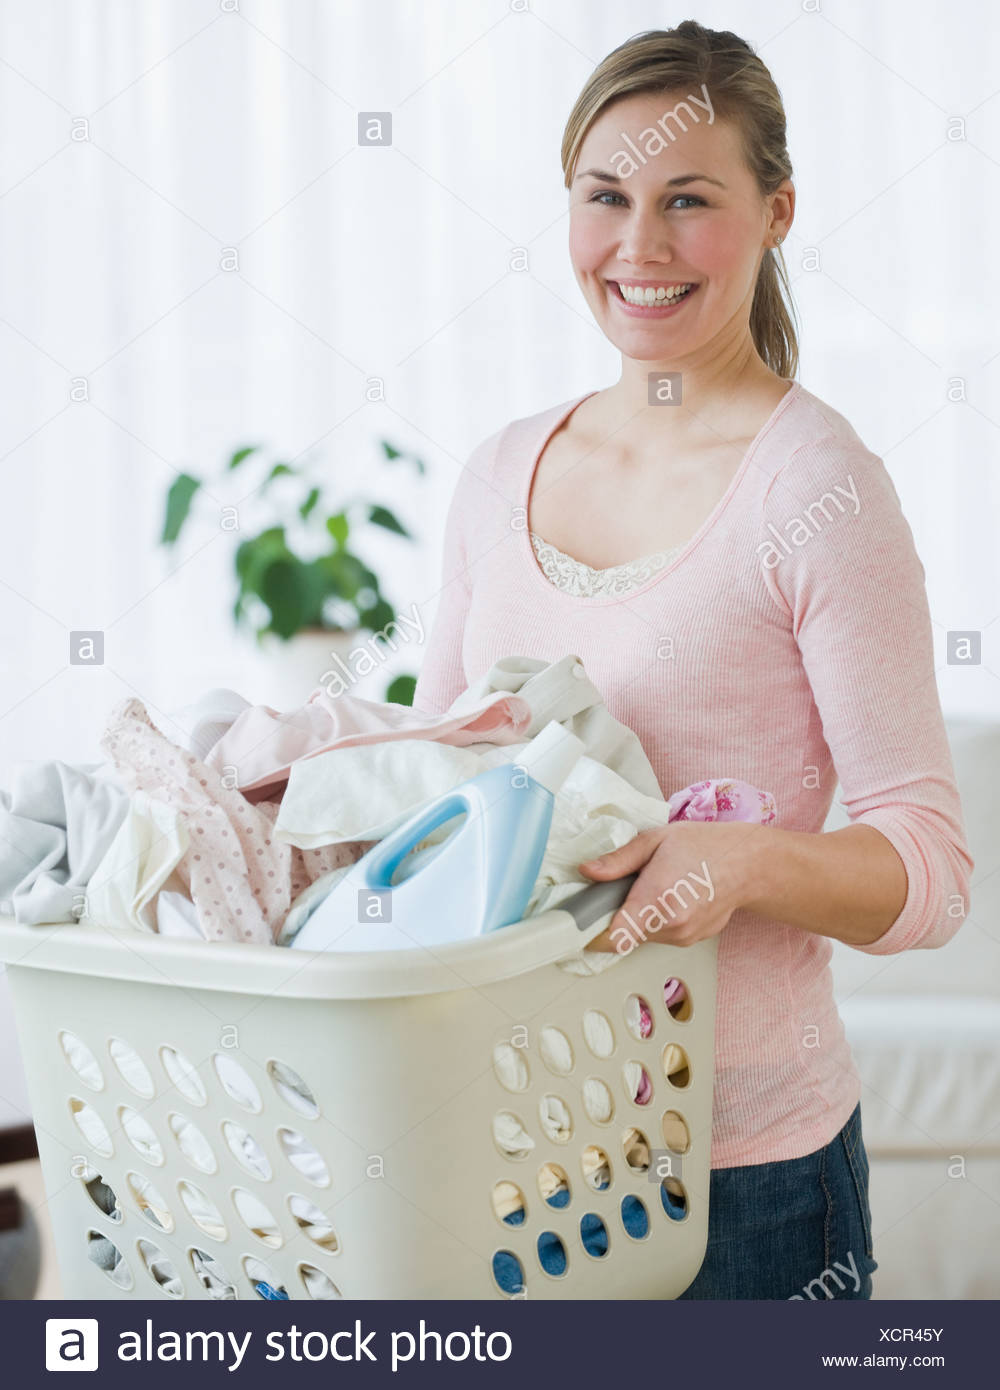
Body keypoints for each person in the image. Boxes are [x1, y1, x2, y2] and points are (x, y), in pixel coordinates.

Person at [412, 21, 973, 1300]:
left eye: (688, 202)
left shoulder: (817, 488)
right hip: (509, 1145)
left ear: (776, 211)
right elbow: (434, 795)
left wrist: (739, 860)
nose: (639, 247)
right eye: (604, 198)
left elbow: (933, 873)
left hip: (742, 1177)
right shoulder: (501, 472)